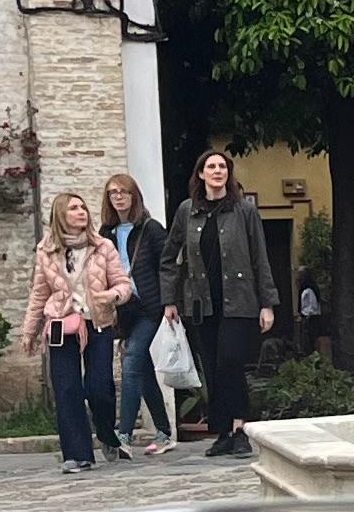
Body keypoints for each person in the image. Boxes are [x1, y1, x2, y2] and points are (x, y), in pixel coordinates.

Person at [168, 147, 277, 460]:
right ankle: (224, 433)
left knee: (230, 362)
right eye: (211, 166)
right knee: (214, 369)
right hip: (202, 304)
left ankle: (241, 429)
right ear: (201, 174)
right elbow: (170, 256)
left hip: (239, 302)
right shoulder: (187, 212)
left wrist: (267, 303)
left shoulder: (244, 211)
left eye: (223, 167)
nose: (217, 171)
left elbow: (260, 258)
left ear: (228, 175)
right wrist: (170, 300)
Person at [19, 190, 132, 476]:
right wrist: (29, 331)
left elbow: (123, 283)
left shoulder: (103, 246)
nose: (81, 212)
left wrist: (112, 295)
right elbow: (39, 292)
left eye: (83, 207)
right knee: (67, 390)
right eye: (73, 208)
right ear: (61, 215)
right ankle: (77, 455)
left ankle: (107, 433)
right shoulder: (46, 250)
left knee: (100, 389)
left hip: (98, 324)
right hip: (62, 326)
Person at [95, 172, 175, 458]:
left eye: (123, 192)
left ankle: (123, 434)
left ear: (134, 196)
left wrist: (170, 302)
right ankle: (164, 432)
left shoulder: (151, 229)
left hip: (149, 308)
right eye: (112, 192)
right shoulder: (105, 234)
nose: (118, 197)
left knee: (131, 363)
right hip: (124, 312)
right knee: (141, 369)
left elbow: (167, 266)